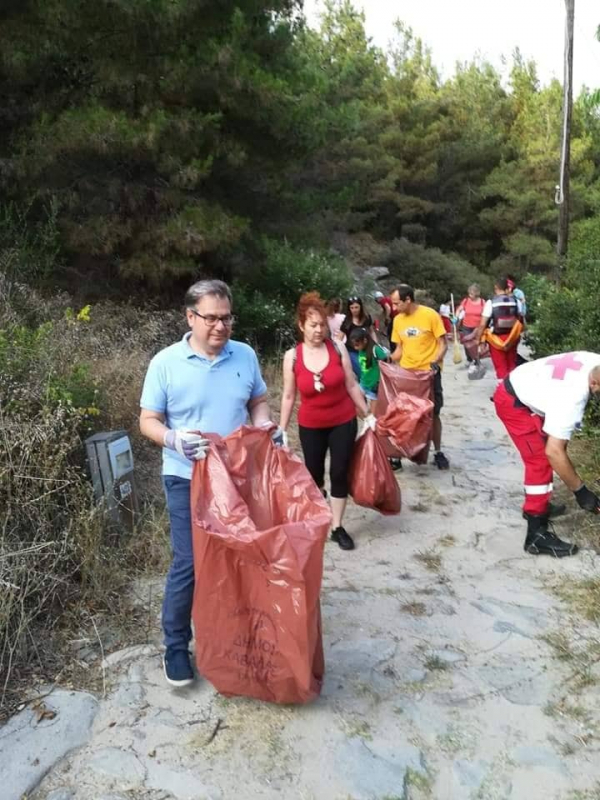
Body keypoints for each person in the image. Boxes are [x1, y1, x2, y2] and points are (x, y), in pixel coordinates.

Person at [139, 279, 283, 688]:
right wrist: (173, 438)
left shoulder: (245, 356)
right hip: (187, 476)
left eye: (227, 318)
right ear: (190, 317)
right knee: (191, 562)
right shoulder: (165, 363)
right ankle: (176, 647)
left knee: (242, 555)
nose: (220, 327)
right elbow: (148, 420)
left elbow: (257, 400)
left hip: (240, 475)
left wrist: (264, 426)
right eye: (211, 318)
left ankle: (236, 636)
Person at [280, 292, 371, 552]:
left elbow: (352, 385)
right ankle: (318, 517)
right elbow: (288, 395)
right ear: (301, 326)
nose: (319, 330)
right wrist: (281, 430)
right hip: (311, 425)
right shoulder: (292, 357)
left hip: (343, 419)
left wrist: (368, 414)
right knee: (314, 475)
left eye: (322, 324)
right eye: (313, 325)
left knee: (340, 471)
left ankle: (337, 527)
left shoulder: (338, 348)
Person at [493, 351, 600, 557]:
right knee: (541, 460)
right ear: (594, 384)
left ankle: (539, 503)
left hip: (527, 383)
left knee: (549, 451)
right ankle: (536, 534)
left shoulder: (595, 362)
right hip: (513, 402)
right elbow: (554, 452)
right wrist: (581, 491)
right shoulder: (572, 399)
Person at [389, 284, 450, 470]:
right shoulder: (398, 320)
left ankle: (438, 452)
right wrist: (386, 359)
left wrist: (436, 360)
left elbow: (443, 344)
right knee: (405, 415)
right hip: (408, 374)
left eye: (396, 303)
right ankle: (398, 455)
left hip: (429, 374)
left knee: (433, 413)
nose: (393, 307)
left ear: (408, 300)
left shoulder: (430, 315)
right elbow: (399, 350)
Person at [475, 277, 523, 383]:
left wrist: (478, 339)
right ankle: (513, 389)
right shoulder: (517, 302)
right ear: (507, 289)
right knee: (511, 363)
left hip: (496, 338)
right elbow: (521, 320)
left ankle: (503, 393)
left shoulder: (490, 303)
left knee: (500, 365)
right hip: (512, 337)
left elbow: (483, 324)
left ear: (496, 288)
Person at [348, 327, 389, 410]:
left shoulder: (375, 349)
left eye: (357, 345)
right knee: (356, 403)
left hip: (374, 385)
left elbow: (386, 362)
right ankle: (366, 418)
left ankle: (371, 421)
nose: (355, 348)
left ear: (365, 341)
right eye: (354, 345)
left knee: (373, 409)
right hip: (364, 382)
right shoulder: (361, 350)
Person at [340, 296, 375, 378]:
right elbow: (339, 338)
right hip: (352, 351)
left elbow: (372, 332)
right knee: (362, 371)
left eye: (356, 307)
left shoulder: (366, 318)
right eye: (352, 308)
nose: (354, 310)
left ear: (360, 307)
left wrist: (375, 345)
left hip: (367, 349)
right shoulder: (347, 322)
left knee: (373, 369)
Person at [457, 284, 486, 373]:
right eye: (469, 293)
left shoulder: (482, 302)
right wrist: (456, 316)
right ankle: (469, 359)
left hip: (478, 327)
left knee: (476, 345)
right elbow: (459, 309)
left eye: (472, 294)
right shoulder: (465, 301)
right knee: (467, 344)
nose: (470, 295)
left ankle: (476, 360)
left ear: (477, 293)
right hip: (466, 326)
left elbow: (485, 314)